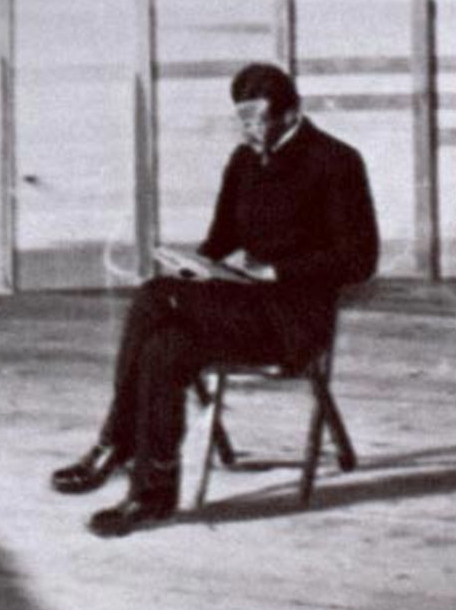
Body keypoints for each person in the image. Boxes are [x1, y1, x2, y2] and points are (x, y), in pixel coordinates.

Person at [52, 62, 380, 536]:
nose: (248, 130)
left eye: (257, 120)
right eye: (242, 119)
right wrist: (194, 265)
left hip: (293, 322)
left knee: (154, 297)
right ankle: (152, 495)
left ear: (291, 114)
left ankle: (114, 442)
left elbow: (360, 260)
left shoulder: (336, 161)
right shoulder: (243, 161)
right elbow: (222, 238)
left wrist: (278, 271)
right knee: (165, 346)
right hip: (242, 308)